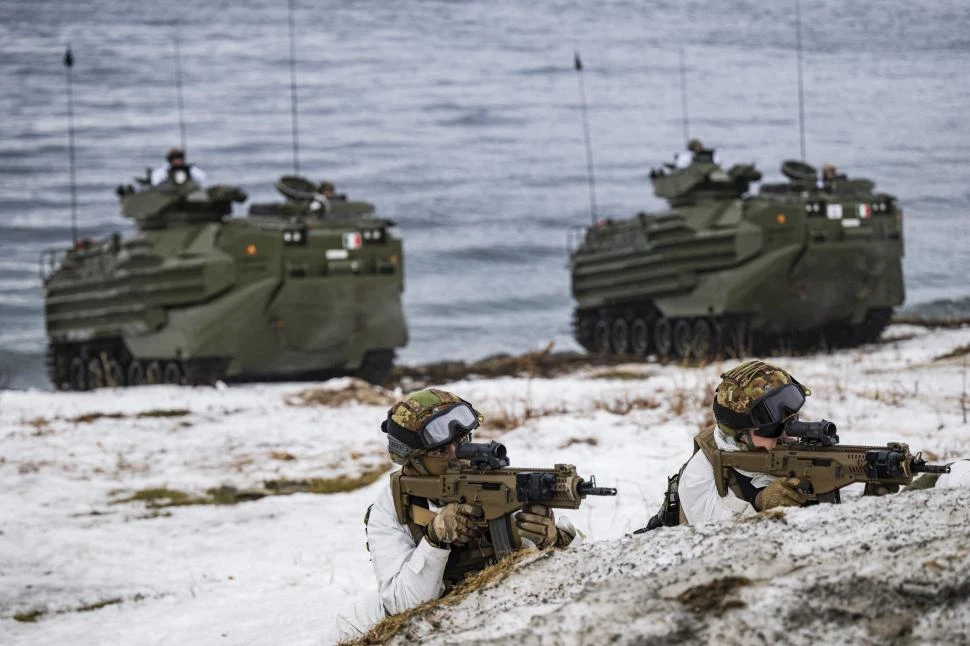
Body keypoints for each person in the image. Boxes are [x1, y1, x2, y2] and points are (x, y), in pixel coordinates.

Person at [364, 388, 579, 616]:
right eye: (440, 451)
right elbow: (402, 605)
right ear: (412, 459)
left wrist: (553, 540)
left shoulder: (498, 482)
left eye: (463, 441)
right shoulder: (388, 510)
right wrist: (435, 540)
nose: (458, 455)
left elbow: (584, 566)